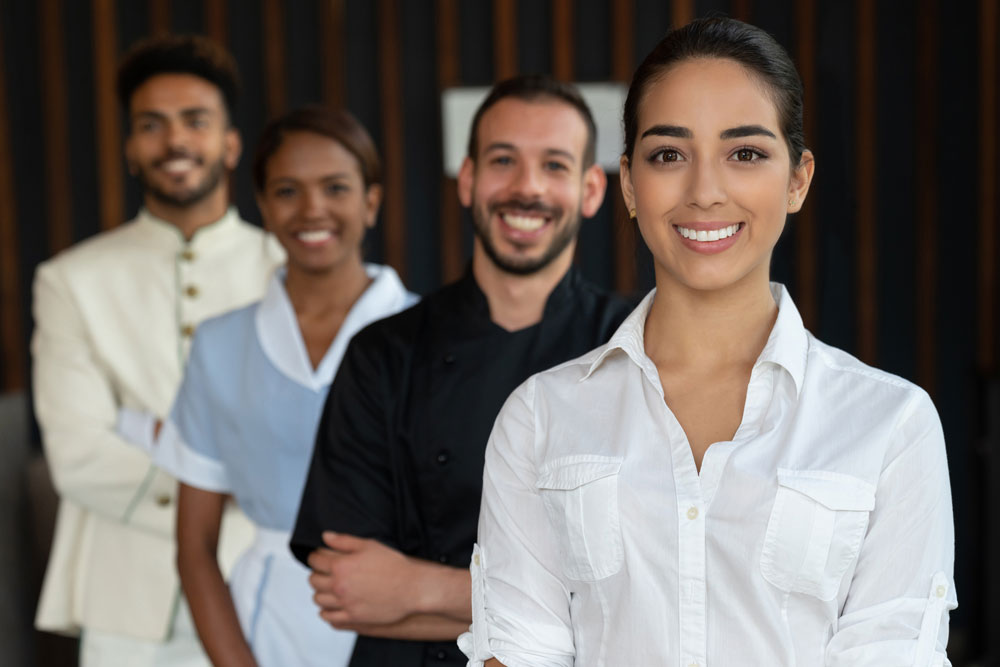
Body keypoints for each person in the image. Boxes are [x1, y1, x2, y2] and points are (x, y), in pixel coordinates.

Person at [463, 18, 956, 667]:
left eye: (745, 153)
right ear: (632, 183)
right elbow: (519, 651)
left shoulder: (890, 424)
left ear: (798, 180)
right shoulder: (540, 417)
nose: (704, 191)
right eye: (669, 154)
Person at [290, 75, 634, 666]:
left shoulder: (633, 347)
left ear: (591, 189)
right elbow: (347, 588)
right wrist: (570, 608)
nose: (526, 188)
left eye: (554, 165)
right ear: (469, 180)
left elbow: (653, 588)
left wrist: (417, 590)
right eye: (504, 160)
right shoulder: (383, 354)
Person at [32, 35, 283, 666]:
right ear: (130, 149)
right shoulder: (71, 280)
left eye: (195, 121)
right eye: (152, 124)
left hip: (269, 588)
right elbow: (79, 454)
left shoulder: (285, 269)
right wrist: (228, 476)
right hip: (125, 603)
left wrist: (146, 432)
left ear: (230, 143)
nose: (174, 141)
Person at [140, 107, 416, 667]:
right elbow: (194, 547)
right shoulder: (220, 345)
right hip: (269, 631)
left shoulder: (431, 338)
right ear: (263, 208)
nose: (312, 209)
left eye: (335, 187)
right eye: (287, 190)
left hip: (411, 629)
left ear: (370, 201)